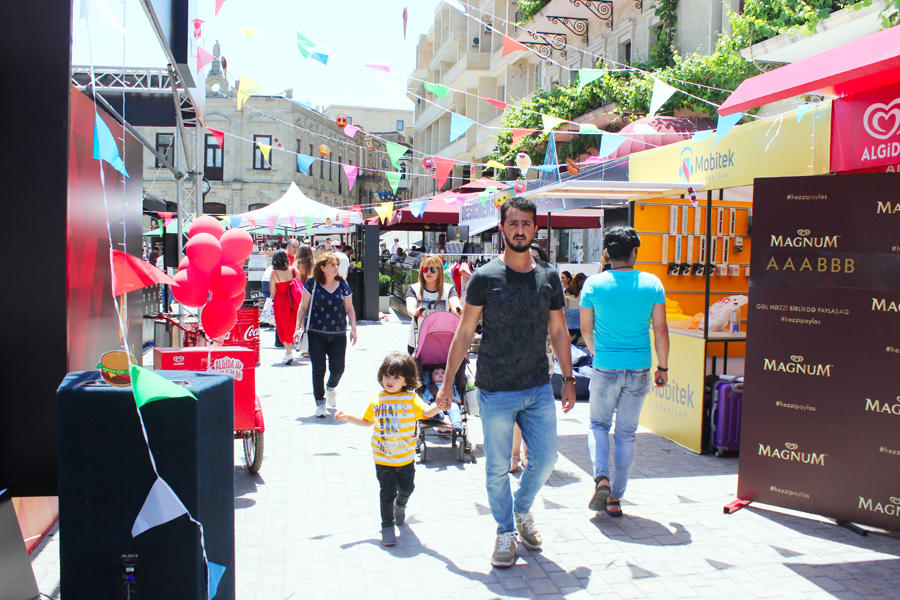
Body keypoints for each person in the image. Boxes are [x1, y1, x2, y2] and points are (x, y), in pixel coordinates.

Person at [435, 196, 576, 568]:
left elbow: (559, 330)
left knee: (545, 459)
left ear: (534, 229)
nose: (519, 230)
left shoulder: (547, 276)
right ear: (502, 228)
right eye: (513, 223)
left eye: (526, 224)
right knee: (497, 467)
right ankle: (504, 532)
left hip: (536, 386)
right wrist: (448, 383)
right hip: (495, 388)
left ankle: (522, 510)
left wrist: (568, 377)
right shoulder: (484, 278)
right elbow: (464, 332)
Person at [579, 226, 669, 518]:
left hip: (606, 365)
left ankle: (601, 477)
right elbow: (661, 330)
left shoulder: (593, 284)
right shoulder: (652, 283)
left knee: (598, 425)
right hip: (640, 366)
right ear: (634, 252)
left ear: (606, 252)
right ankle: (615, 497)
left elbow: (585, 330)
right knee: (627, 434)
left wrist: (596, 352)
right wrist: (663, 366)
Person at [336, 353, 441, 546]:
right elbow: (367, 421)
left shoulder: (411, 399)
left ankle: (400, 505)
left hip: (405, 457)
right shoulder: (377, 399)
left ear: (406, 380)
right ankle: (387, 526)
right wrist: (348, 417)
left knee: (407, 487)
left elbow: (426, 413)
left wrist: (438, 405)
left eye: (396, 377)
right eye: (387, 375)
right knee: (387, 492)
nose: (389, 380)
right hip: (382, 457)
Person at [294, 252, 358, 418]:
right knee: (318, 369)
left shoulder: (343, 284)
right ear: (322, 267)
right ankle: (320, 403)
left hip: (338, 333)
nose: (336, 267)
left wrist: (354, 328)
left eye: (337, 264)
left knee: (338, 368)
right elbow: (303, 307)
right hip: (316, 333)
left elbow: (349, 308)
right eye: (332, 264)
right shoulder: (312, 283)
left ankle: (331, 388)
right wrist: (297, 328)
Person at [405, 254, 461, 354]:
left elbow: (455, 304)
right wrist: (415, 312)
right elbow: (410, 307)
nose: (428, 272)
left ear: (439, 271)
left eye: (433, 269)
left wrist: (459, 310)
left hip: (443, 343)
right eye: (425, 269)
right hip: (417, 343)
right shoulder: (414, 288)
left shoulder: (448, 289)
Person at [269, 250, 299, 365]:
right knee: (293, 323)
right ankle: (291, 350)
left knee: (283, 325)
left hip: (280, 301)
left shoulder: (274, 273)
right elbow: (298, 284)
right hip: (293, 300)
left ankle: (288, 352)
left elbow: (272, 291)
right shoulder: (293, 270)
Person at [420, 366, 463, 434]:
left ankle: (456, 424)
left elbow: (457, 396)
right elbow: (425, 396)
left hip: (450, 402)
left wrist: (458, 399)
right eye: (436, 373)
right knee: (433, 406)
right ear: (432, 378)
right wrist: (425, 402)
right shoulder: (430, 387)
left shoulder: (452, 386)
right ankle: (438, 415)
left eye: (443, 373)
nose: (440, 375)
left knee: (454, 409)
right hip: (436, 402)